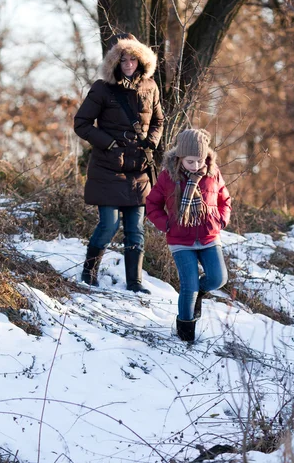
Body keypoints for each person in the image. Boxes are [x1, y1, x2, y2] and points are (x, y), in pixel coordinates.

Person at [74, 33, 164, 293]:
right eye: (123, 59)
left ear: (140, 60)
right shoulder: (102, 88)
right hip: (108, 169)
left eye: (132, 59)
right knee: (109, 224)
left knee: (135, 229)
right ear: (115, 61)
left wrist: (152, 143)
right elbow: (81, 123)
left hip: (139, 170)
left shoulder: (151, 87)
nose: (128, 64)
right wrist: (109, 143)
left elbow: (158, 121)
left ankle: (135, 283)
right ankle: (89, 273)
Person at [146, 129, 231, 342]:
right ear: (180, 157)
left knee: (219, 278)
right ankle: (185, 335)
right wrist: (166, 224)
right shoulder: (168, 176)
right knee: (189, 286)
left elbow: (225, 199)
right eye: (190, 161)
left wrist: (221, 220)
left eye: (199, 161)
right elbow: (152, 204)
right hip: (180, 240)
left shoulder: (213, 173)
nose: (195, 166)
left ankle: (198, 294)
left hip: (209, 236)